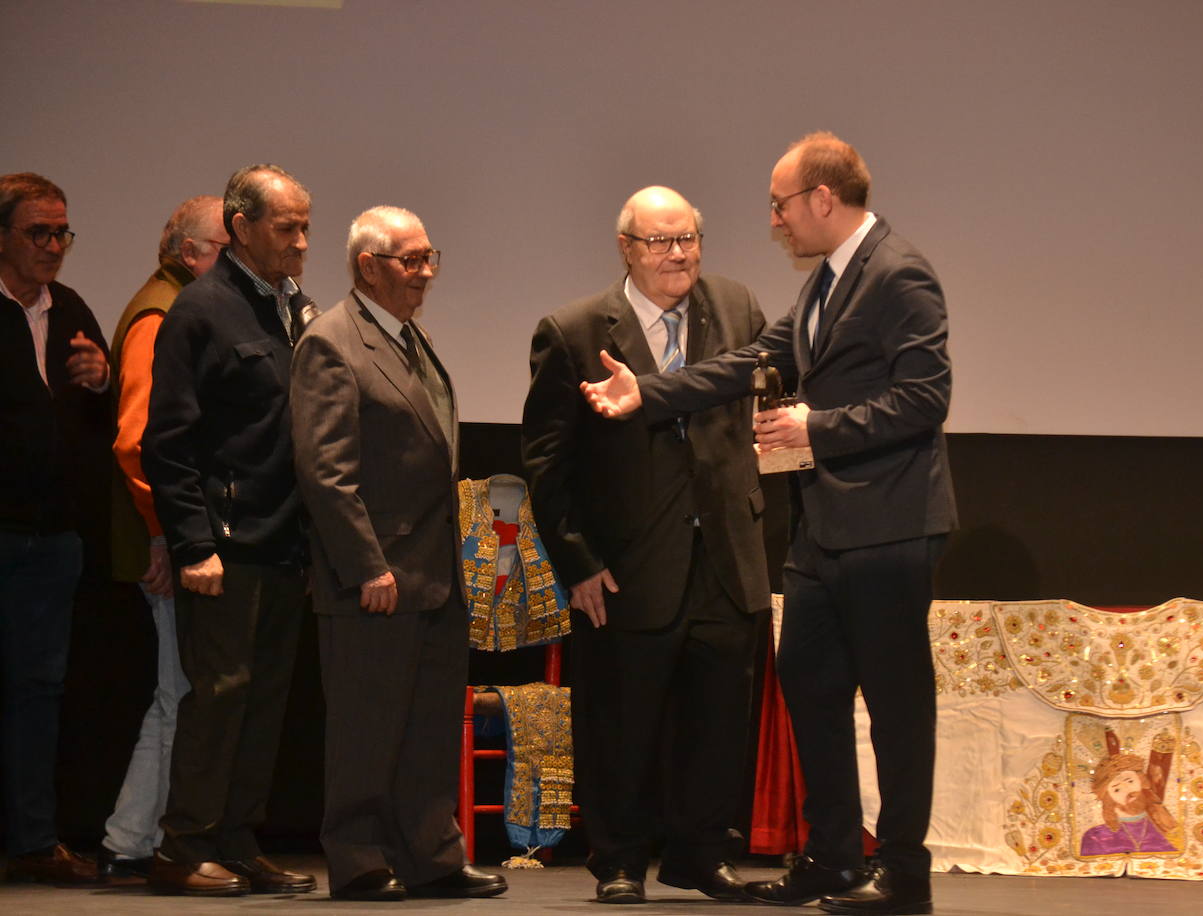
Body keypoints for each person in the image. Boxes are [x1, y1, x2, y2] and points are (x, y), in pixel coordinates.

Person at [582, 134, 956, 916]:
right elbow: (749, 361)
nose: (774, 221)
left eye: (780, 205)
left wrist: (819, 429)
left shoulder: (898, 272)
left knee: (895, 702)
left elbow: (925, 398)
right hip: (823, 535)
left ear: (823, 198)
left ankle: (906, 873)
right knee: (812, 689)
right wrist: (648, 393)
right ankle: (833, 859)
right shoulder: (828, 281)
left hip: (888, 528)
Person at [523, 186, 770, 904]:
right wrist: (577, 562)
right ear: (627, 248)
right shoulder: (571, 331)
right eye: (661, 241)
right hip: (624, 569)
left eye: (689, 238)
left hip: (725, 555)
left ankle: (700, 853)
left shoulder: (737, 307)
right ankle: (621, 858)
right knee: (619, 724)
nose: (679, 254)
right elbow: (547, 463)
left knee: (718, 722)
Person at [290, 206, 507, 902]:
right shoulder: (331, 343)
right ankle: (358, 860)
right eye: (411, 261)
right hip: (375, 578)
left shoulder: (409, 338)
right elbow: (326, 472)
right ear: (368, 266)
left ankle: (431, 856)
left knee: (427, 727)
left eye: (428, 258)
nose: (425, 274)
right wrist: (366, 566)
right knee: (366, 729)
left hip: (432, 574)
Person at [142, 164, 317, 896]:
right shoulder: (201, 311)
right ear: (241, 228)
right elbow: (167, 443)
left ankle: (240, 842)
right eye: (288, 228)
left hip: (285, 541)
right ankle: (181, 848)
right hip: (226, 543)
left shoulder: (295, 310)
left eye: (307, 227)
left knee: (265, 696)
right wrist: (193, 544)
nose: (302, 243)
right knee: (219, 695)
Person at [99, 195, 229, 882]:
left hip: (168, 535)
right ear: (189, 253)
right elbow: (137, 441)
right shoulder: (163, 314)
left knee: (176, 689)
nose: (234, 260)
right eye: (222, 247)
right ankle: (140, 842)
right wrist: (166, 536)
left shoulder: (173, 304)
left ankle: (132, 838)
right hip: (168, 540)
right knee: (180, 692)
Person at [0, 172, 110, 885]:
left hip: (54, 539)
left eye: (62, 232)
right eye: (39, 232)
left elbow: (101, 420)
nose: (53, 246)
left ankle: (34, 839)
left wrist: (105, 377)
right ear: (2, 236)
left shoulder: (70, 308)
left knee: (39, 691)